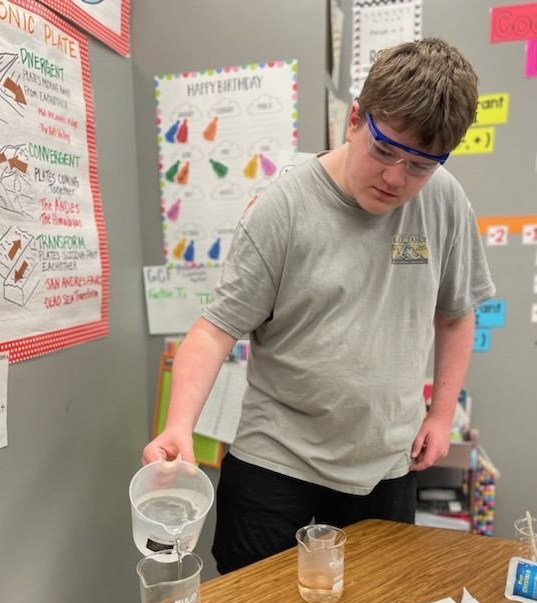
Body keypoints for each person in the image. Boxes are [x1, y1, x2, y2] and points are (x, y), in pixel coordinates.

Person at [142, 38, 495, 574]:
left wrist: (441, 415)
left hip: (385, 468)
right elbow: (215, 330)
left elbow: (456, 312)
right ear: (354, 120)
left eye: (420, 165)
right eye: (384, 150)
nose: (396, 178)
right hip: (276, 466)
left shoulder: (444, 200)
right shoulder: (282, 209)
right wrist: (179, 424)